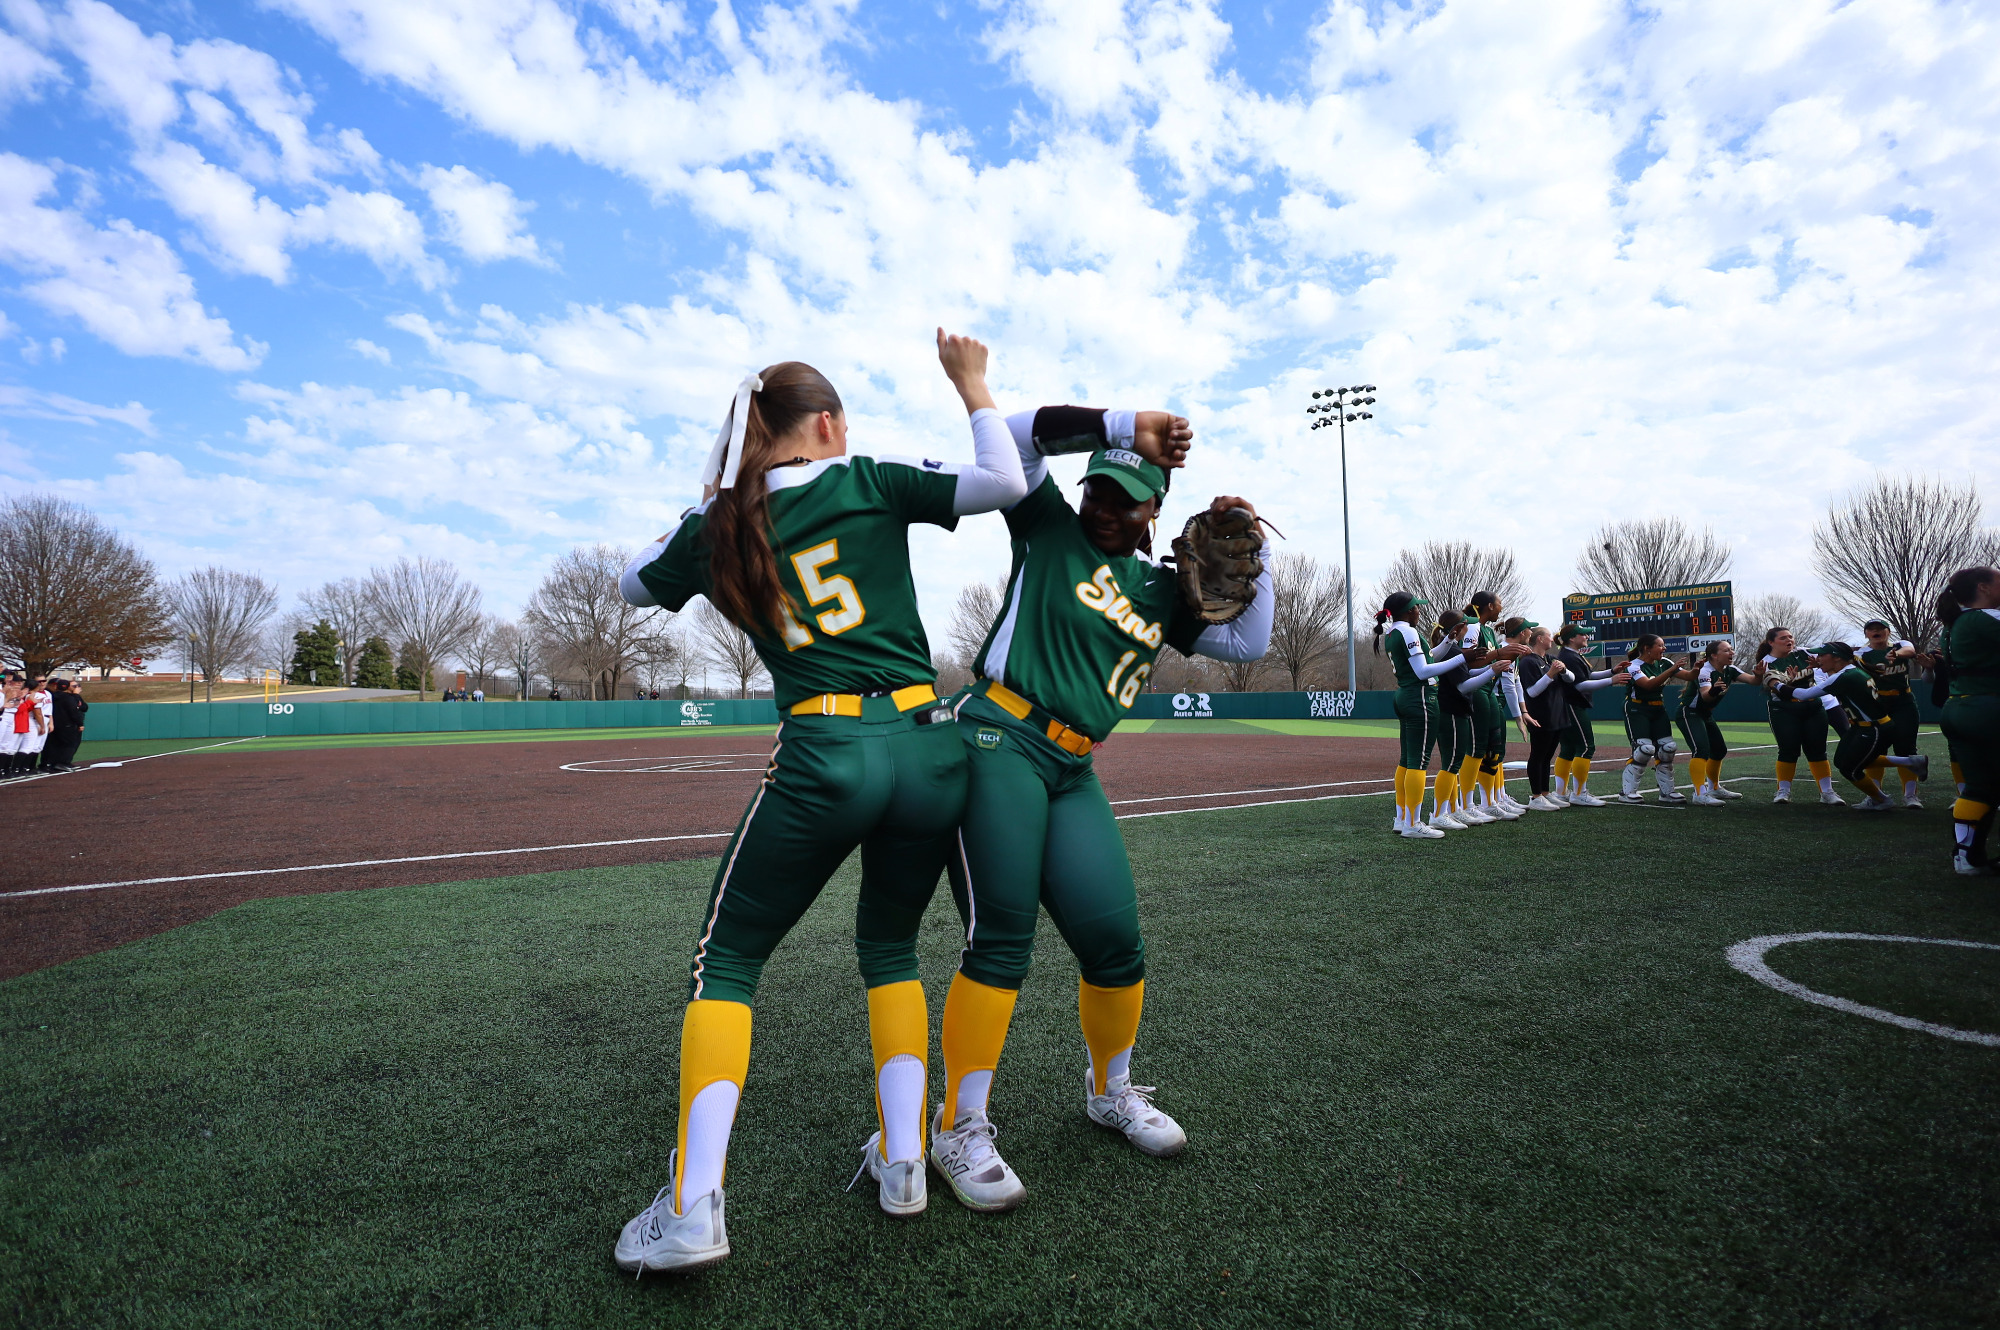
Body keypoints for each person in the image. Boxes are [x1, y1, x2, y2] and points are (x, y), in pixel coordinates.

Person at [608, 333, 1027, 1273]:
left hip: (825, 749)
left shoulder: (722, 524)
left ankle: (693, 1208)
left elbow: (631, 583)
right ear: (828, 424)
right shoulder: (868, 478)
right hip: (928, 746)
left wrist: (713, 496)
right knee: (888, 947)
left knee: (730, 961)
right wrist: (972, 383)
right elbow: (1006, 481)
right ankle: (907, 1162)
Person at [929, 405, 1262, 1213]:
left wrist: (1249, 537)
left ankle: (1110, 1090)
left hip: (1074, 767)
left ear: (1156, 512)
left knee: (1116, 943)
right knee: (1001, 941)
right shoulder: (1047, 526)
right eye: (1099, 491)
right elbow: (1010, 439)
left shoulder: (1164, 590)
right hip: (998, 740)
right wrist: (1120, 422)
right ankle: (958, 1126)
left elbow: (1249, 643)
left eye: (1125, 498)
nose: (1105, 506)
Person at [1778, 642, 1929, 810]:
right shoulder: (1850, 671)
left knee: (1850, 769)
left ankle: (1881, 799)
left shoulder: (1845, 676)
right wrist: (1817, 667)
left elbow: (1805, 694)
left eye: (1822, 655)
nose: (1817, 658)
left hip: (1874, 728)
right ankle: (1910, 762)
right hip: (1864, 726)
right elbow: (1835, 679)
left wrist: (1776, 684)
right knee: (1842, 760)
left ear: (1836, 657)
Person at [1373, 592, 1461, 837]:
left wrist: (1448, 643)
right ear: (1408, 611)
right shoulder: (1408, 631)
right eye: (1416, 608)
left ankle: (1403, 819)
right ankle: (1413, 823)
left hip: (1407, 695)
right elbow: (1423, 671)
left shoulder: (1393, 631)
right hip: (1420, 696)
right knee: (1418, 762)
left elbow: (1427, 657)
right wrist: (1463, 657)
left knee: (1407, 760)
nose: (1419, 612)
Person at [1937, 566, 2000, 873]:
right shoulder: (1984, 617)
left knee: (1978, 787)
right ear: (1983, 588)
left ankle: (1965, 858)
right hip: (1987, 708)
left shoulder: (1952, 624)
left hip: (1958, 708)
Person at [1456, 592, 1525, 819]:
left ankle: (1489, 800)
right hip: (1477, 690)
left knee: (1492, 749)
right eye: (1499, 604)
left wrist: (1504, 660)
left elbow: (1488, 660)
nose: (1501, 608)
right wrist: (1499, 655)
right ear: (1489, 606)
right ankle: (1468, 804)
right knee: (1476, 750)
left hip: (1488, 690)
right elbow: (1469, 660)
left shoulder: (1486, 629)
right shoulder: (1474, 627)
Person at [1755, 627, 1840, 805]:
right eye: (1783, 638)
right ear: (1771, 642)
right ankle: (1783, 791)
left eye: (1791, 637)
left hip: (1813, 706)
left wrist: (1821, 665)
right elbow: (1774, 686)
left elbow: (1833, 657)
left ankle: (1827, 792)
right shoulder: (1766, 662)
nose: (1790, 640)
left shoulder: (1803, 653)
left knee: (1817, 750)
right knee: (1788, 750)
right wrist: (1787, 682)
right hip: (1784, 709)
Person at [1676, 641, 1759, 806]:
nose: (1732, 652)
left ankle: (1714, 787)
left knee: (1719, 750)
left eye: (1731, 649)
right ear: (1714, 655)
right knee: (1701, 750)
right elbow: (1706, 696)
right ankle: (1699, 793)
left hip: (1705, 714)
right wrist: (1714, 690)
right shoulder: (1704, 670)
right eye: (1727, 650)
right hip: (1689, 713)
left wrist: (1760, 674)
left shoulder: (1730, 670)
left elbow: (1754, 681)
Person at [1552, 622, 1621, 807]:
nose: (1587, 637)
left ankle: (1561, 793)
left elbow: (1588, 676)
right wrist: (1611, 680)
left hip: (1566, 705)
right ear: (1572, 638)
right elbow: (1580, 685)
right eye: (1583, 635)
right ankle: (1579, 793)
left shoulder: (1571, 655)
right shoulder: (1570, 656)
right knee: (1585, 747)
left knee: (1567, 749)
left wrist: (1612, 671)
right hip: (1572, 705)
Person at [1858, 620, 1923, 809]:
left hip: (1903, 701)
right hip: (1877, 703)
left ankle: (1911, 795)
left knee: (1907, 748)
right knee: (1875, 750)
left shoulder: (1900, 645)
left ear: (1888, 631)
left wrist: (1896, 654)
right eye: (1871, 629)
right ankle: (1876, 795)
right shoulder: (1861, 654)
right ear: (1866, 634)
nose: (1876, 631)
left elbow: (1909, 651)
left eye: (1880, 628)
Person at [1618, 634, 1688, 804]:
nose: (1664, 649)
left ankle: (1667, 792)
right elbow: (1648, 684)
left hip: (1658, 708)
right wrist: (1671, 670)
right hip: (1637, 708)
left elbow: (1690, 676)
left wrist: (1703, 667)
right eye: (1660, 646)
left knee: (1668, 748)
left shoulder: (1665, 663)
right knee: (1644, 750)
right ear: (1647, 648)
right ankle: (1627, 793)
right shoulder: (1634, 666)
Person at [1429, 611, 1477, 828]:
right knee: (1451, 762)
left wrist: (1490, 665)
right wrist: (1492, 670)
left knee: (1453, 763)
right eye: (1466, 625)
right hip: (1451, 710)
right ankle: (1439, 814)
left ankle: (1452, 809)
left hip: (1453, 709)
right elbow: (1463, 686)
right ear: (1459, 628)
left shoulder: (1451, 648)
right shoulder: (1452, 650)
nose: (1469, 628)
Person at [1515, 624, 1569, 811]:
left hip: (1556, 714)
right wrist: (1551, 674)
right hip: (1539, 715)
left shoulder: (1551, 658)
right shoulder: (1528, 662)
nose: (1552, 639)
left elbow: (1571, 679)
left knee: (1547, 757)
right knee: (1538, 755)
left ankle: (1545, 793)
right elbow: (1532, 691)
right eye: (1548, 636)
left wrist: (1563, 671)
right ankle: (1536, 796)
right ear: (1540, 639)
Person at [44, 678, 85, 772]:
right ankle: (63, 763)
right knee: (70, 744)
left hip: (54, 723)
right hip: (67, 724)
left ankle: (52, 763)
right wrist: (80, 723)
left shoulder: (52, 696)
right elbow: (73, 711)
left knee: (54, 745)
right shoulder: (68, 698)